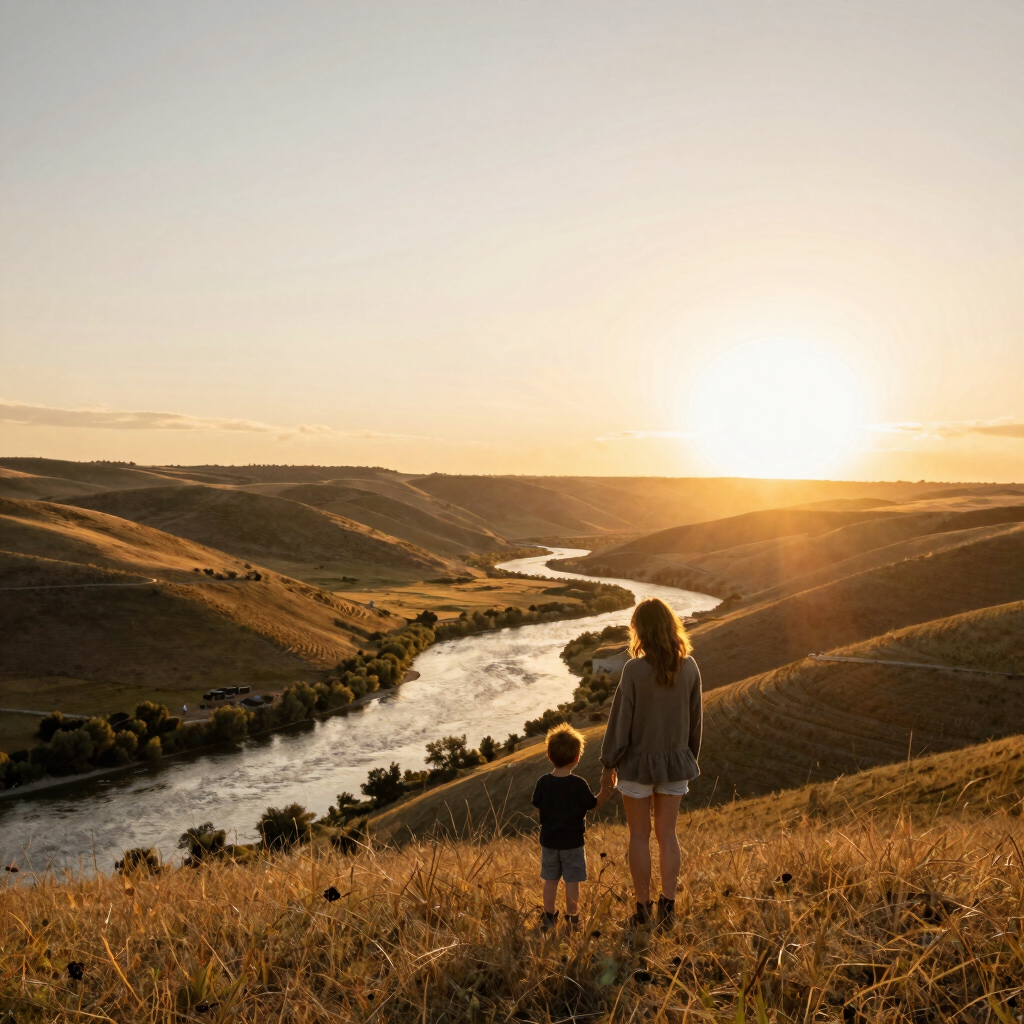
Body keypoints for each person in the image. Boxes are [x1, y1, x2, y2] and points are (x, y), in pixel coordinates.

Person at [599, 598, 702, 928]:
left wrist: (608, 763)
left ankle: (642, 910)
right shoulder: (690, 667)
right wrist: (687, 759)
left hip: (637, 766)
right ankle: (668, 910)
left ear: (639, 630)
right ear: (672, 626)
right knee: (667, 835)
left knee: (639, 837)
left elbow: (620, 722)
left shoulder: (634, 670)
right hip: (675, 763)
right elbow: (696, 722)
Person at [532, 723, 613, 931]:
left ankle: (548, 917)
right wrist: (606, 790)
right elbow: (593, 805)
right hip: (573, 843)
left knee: (550, 880)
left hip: (549, 841)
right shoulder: (578, 784)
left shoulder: (542, 782)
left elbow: (538, 807)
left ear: (549, 755)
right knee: (571, 881)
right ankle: (573, 918)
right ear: (577, 757)